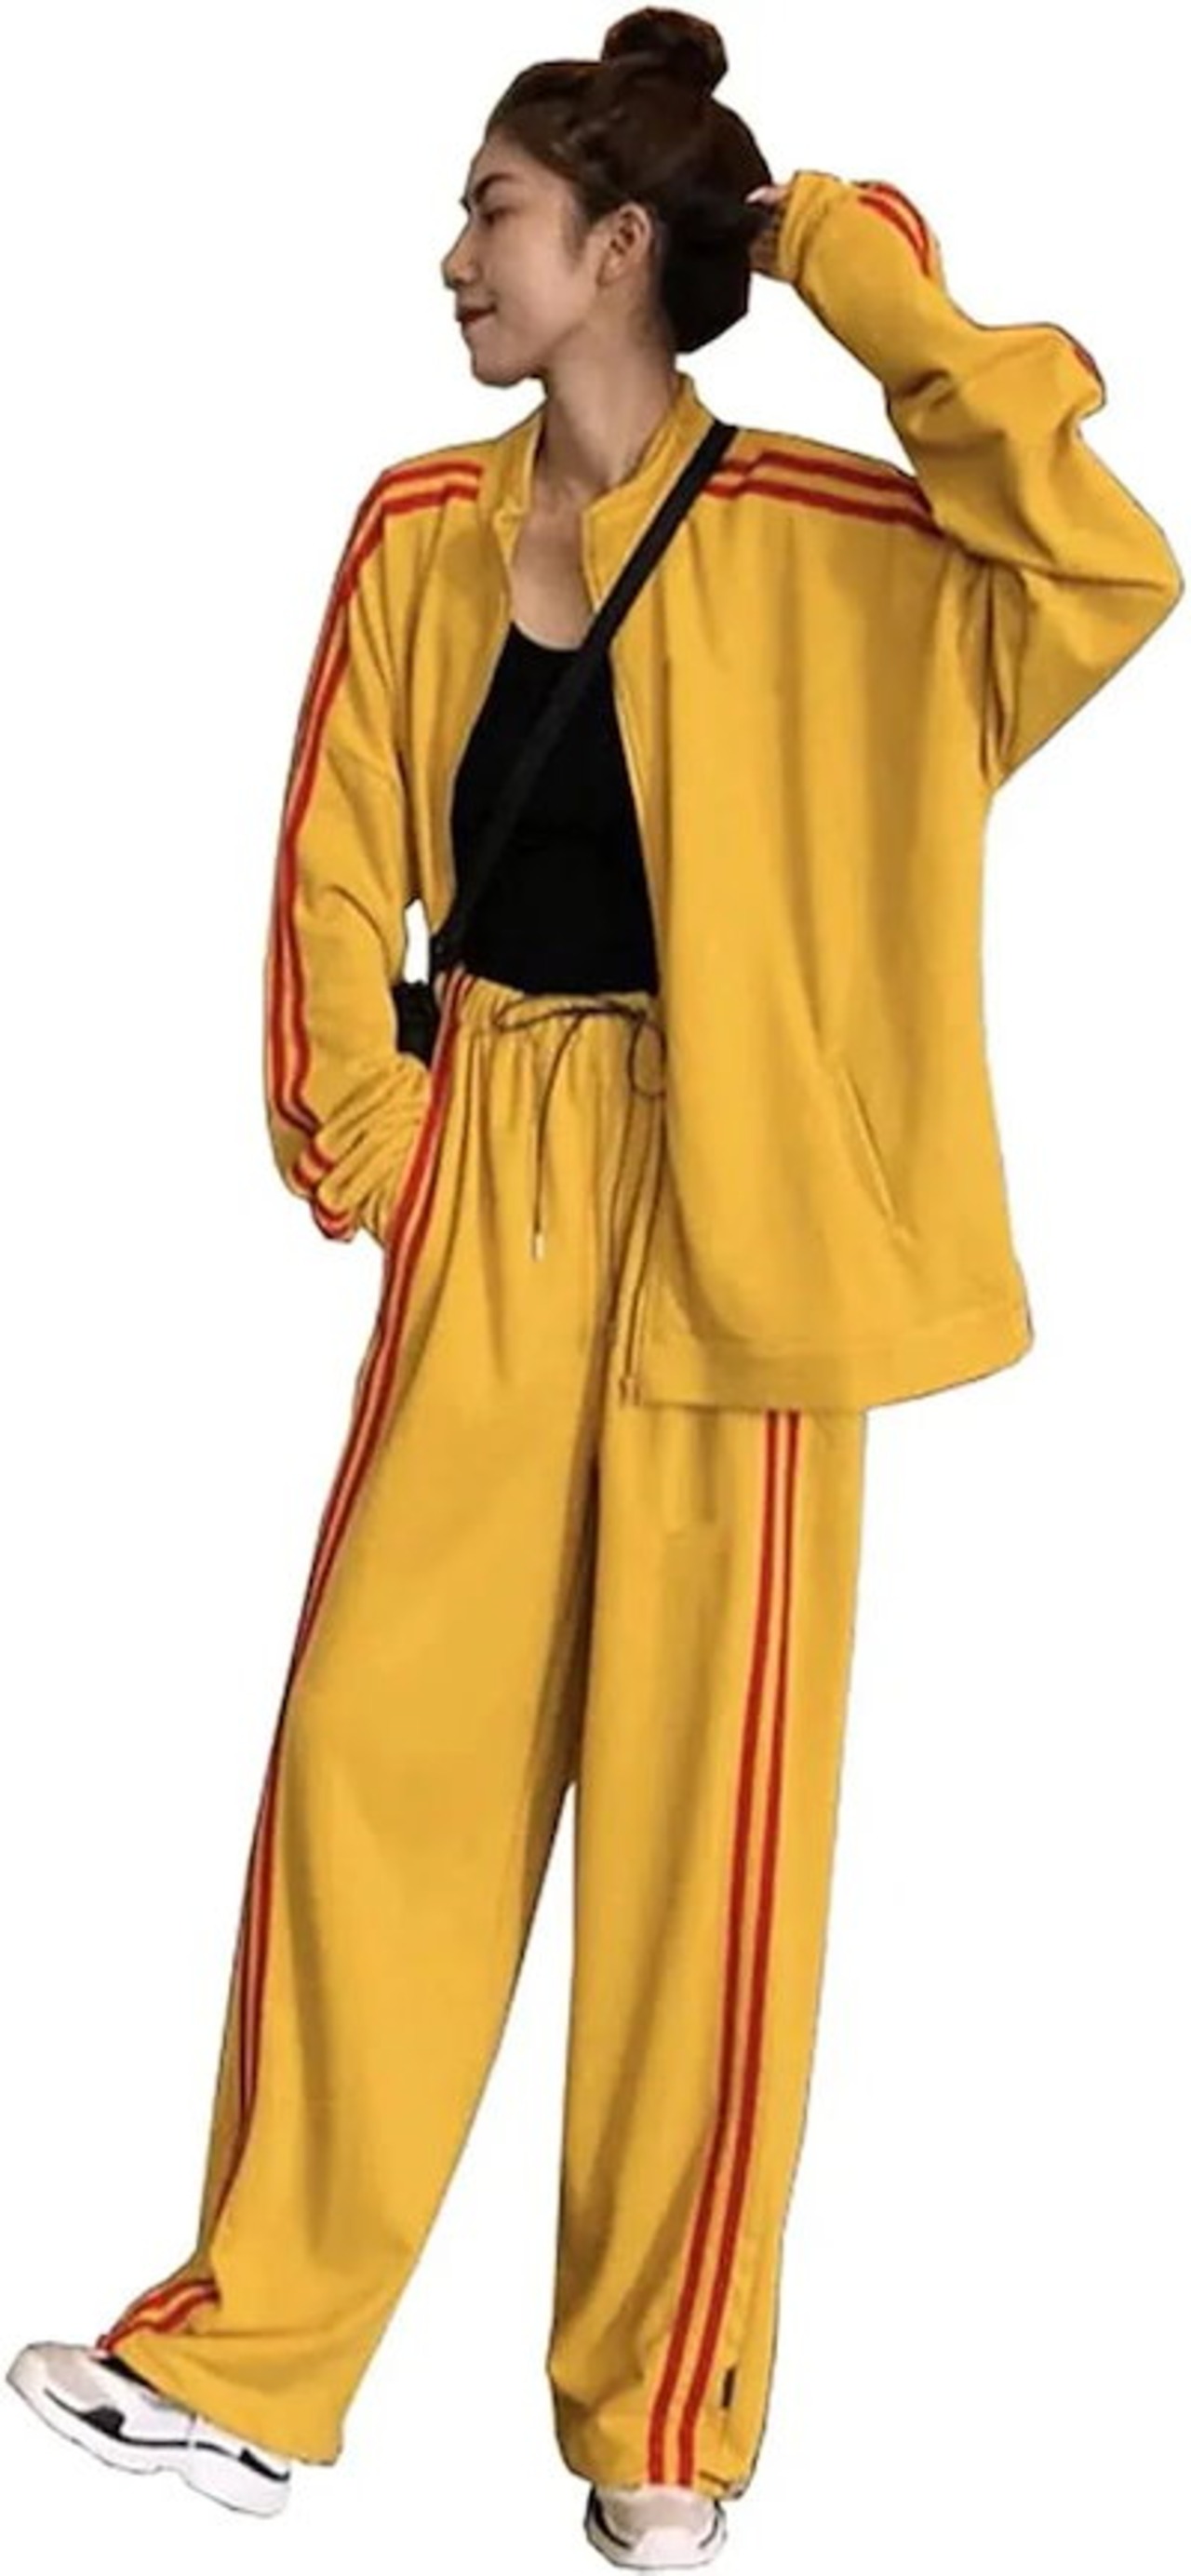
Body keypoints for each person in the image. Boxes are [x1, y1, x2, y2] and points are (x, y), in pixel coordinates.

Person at [7, 7, 1181, 2569]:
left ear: (620, 247)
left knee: (698, 1833)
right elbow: (337, 854)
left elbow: (1107, 566)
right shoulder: (415, 528)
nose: (453, 259)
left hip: (752, 1213)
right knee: (374, 1755)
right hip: (497, 1167)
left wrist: (863, 276)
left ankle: (663, 2426)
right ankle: (250, 2362)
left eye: (495, 216)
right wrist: (379, 1142)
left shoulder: (847, 546)